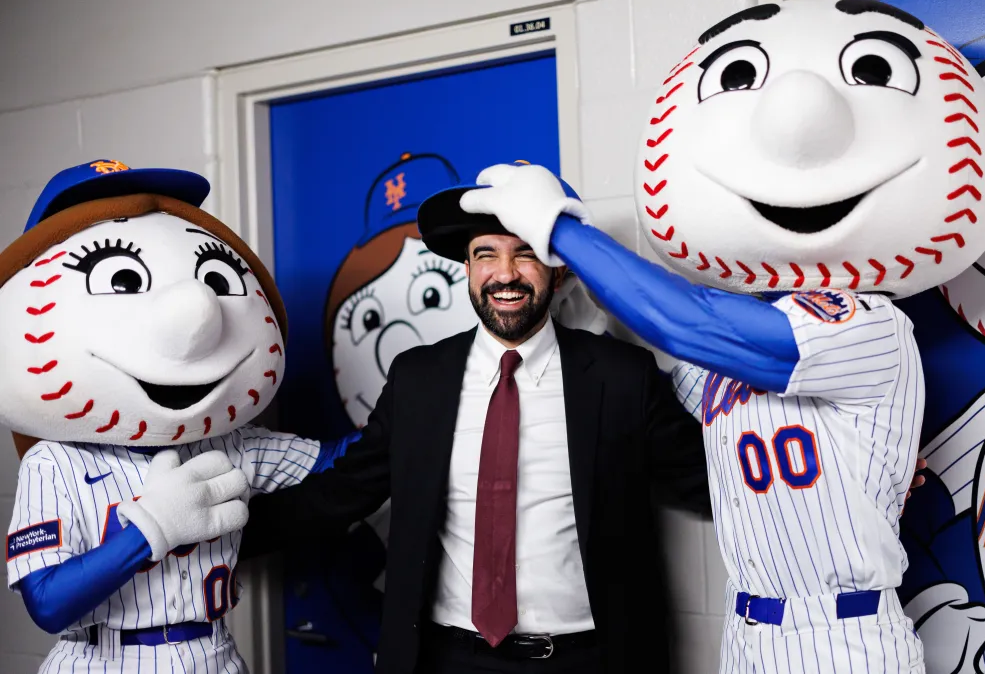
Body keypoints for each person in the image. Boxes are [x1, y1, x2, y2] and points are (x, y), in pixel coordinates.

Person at [455, 0, 985, 674]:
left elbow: (689, 322)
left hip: (845, 636)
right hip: (749, 630)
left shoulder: (870, 327)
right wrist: (563, 282)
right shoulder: (723, 350)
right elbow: (669, 348)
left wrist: (563, 230)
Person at [238, 181, 712, 674]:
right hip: (448, 659)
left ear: (559, 267)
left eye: (525, 254)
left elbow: (709, 485)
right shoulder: (418, 378)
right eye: (486, 254)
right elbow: (343, 491)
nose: (505, 274)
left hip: (589, 660)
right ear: (467, 268)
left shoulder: (622, 376)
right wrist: (211, 543)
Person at [0, 160, 354, 672]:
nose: (195, 309)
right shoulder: (54, 463)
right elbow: (48, 605)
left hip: (214, 653)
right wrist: (151, 528)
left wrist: (428, 396)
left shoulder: (235, 444)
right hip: (101, 659)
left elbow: (346, 462)